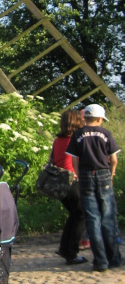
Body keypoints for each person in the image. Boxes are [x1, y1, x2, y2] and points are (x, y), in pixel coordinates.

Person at [66, 104, 121, 272]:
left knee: (92, 218)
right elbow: (114, 159)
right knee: (108, 217)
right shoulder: (105, 134)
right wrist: (111, 174)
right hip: (103, 174)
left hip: (85, 175)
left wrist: (78, 173)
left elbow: (74, 159)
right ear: (99, 119)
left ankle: (100, 261)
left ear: (86, 118)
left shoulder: (78, 134)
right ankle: (114, 258)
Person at [51, 110, 87, 266]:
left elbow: (52, 160)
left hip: (59, 182)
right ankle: (71, 253)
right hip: (71, 181)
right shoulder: (76, 139)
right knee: (81, 215)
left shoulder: (58, 140)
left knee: (74, 214)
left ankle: (65, 249)